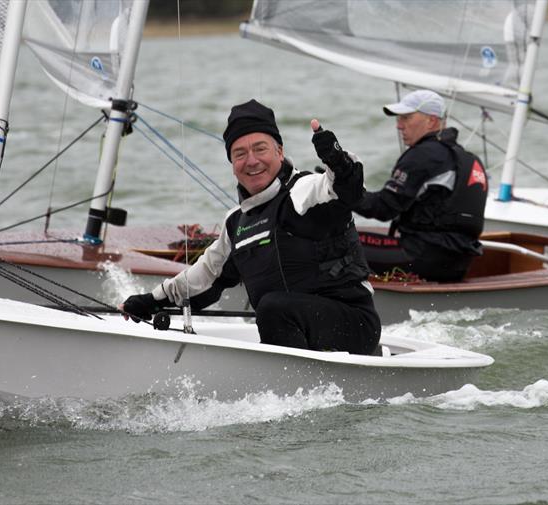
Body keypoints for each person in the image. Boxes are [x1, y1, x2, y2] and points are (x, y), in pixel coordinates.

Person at [120, 99, 381, 355]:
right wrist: (150, 301)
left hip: (354, 326)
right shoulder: (236, 222)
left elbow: (346, 191)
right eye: (240, 153)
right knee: (273, 308)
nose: (252, 160)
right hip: (297, 336)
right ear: (232, 163)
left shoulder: (305, 190)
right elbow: (204, 276)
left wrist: (339, 163)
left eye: (260, 149)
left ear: (279, 151)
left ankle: (291, 393)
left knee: (272, 307)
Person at [353, 89, 488, 282]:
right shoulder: (469, 160)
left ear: (431, 121)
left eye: (406, 118)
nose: (399, 126)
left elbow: (383, 209)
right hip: (458, 263)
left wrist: (342, 191)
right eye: (398, 119)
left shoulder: (424, 154)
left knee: (334, 242)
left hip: (422, 257)